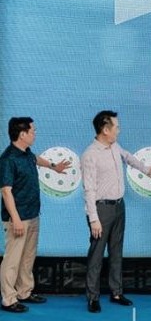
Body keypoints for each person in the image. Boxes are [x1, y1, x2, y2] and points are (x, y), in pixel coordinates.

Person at [81, 110, 151, 313]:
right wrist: (93, 218)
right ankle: (92, 297)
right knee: (97, 254)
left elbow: (128, 157)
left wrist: (146, 169)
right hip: (101, 209)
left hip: (118, 207)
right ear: (105, 130)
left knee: (116, 251)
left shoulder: (115, 146)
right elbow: (88, 189)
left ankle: (116, 292)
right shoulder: (90, 154)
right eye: (116, 127)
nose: (119, 130)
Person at [0, 117, 70, 313]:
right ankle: (8, 299)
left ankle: (24, 292)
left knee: (27, 257)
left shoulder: (27, 153)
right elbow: (6, 191)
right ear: (22, 134)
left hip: (32, 214)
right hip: (18, 218)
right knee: (12, 260)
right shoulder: (8, 159)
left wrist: (54, 166)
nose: (35, 134)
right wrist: (15, 219)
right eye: (33, 131)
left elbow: (36, 159)